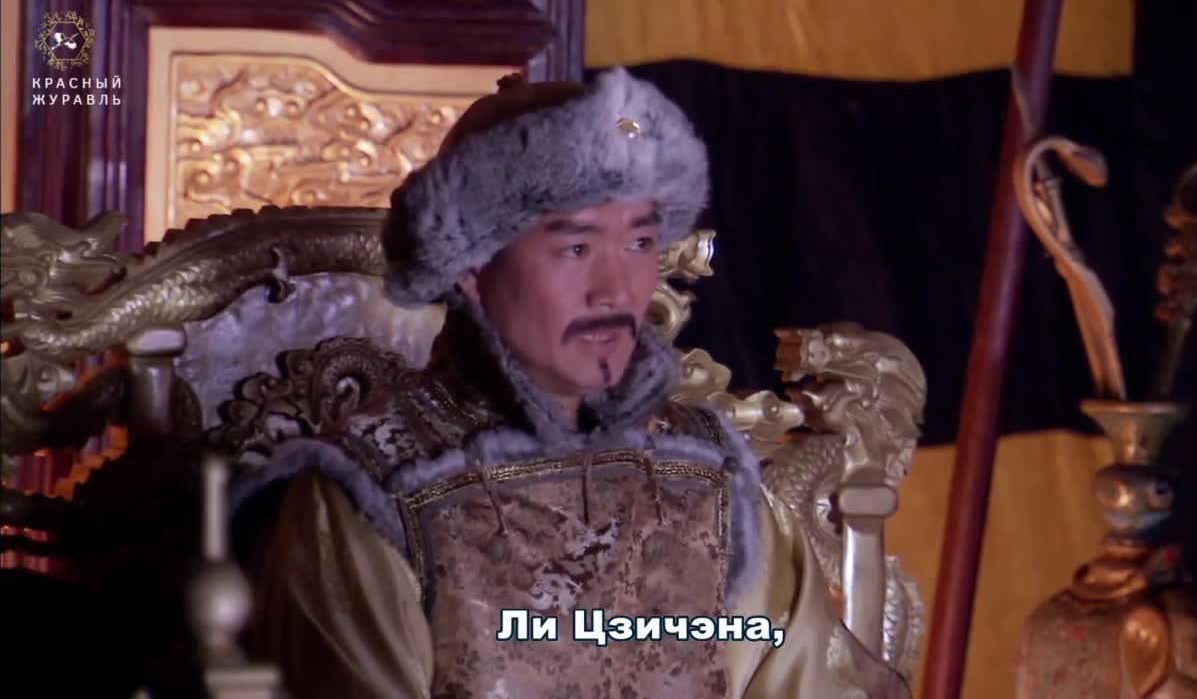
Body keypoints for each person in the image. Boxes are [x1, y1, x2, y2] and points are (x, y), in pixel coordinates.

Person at [230, 68, 910, 699]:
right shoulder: (369, 497)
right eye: (576, 248)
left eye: (639, 243)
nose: (616, 290)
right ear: (472, 266)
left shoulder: (712, 474)